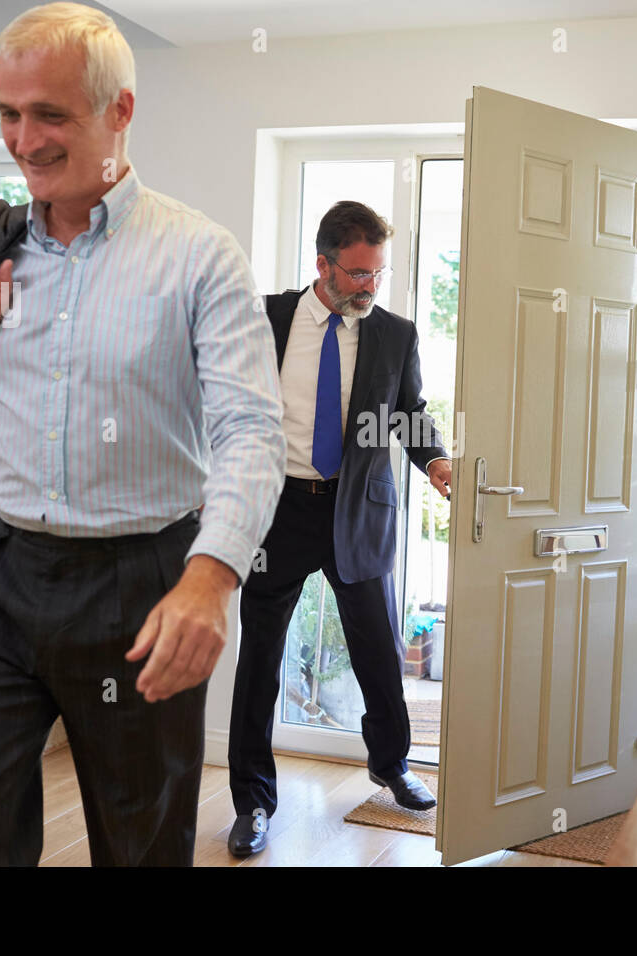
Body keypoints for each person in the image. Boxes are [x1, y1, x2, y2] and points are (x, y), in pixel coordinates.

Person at [0, 2, 285, 866]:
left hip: (141, 583)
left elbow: (251, 431)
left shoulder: (201, 256)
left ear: (120, 110)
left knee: (140, 844)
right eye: (9, 113)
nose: (22, 139)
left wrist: (211, 577)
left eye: (51, 114)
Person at [227, 201, 452, 856]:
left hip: (356, 510)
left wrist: (435, 459)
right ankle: (253, 802)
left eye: (377, 273)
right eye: (357, 273)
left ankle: (391, 764)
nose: (369, 285)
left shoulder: (394, 335)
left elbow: (409, 411)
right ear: (321, 264)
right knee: (259, 663)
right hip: (278, 510)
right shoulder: (264, 319)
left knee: (380, 651)